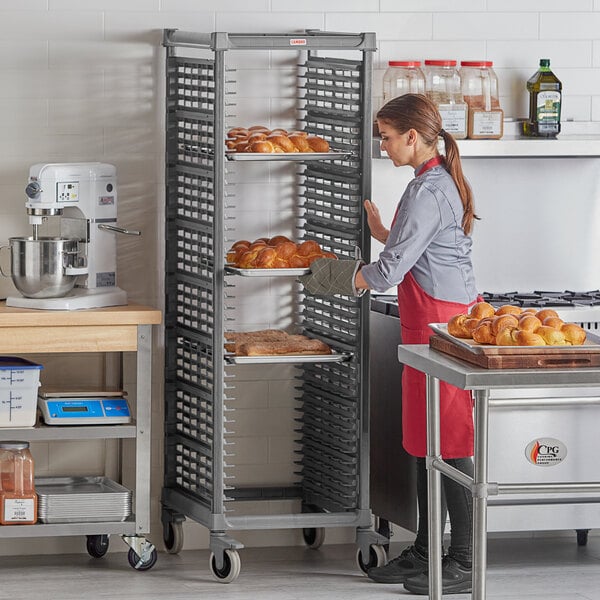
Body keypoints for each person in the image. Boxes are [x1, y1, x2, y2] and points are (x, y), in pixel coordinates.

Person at [299, 93, 479, 595]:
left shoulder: (428, 190)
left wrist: (333, 275)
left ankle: (462, 560)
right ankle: (426, 549)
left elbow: (387, 274)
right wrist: (385, 232)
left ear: (413, 137)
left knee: (452, 442)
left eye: (386, 137)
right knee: (426, 442)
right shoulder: (430, 181)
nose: (382, 145)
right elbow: (415, 250)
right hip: (427, 325)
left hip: (443, 328)